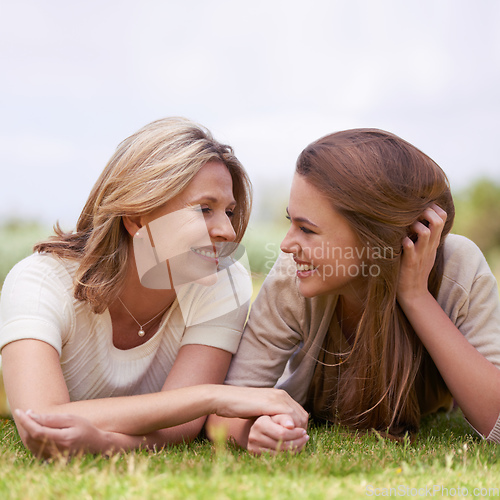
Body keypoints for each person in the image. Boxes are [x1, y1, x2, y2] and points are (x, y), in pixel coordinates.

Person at [0, 117, 308, 458]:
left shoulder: (223, 280)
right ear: (137, 218)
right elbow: (40, 420)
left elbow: (183, 426)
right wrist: (214, 396)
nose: (228, 232)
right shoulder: (40, 281)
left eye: (229, 212)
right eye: (204, 209)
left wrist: (105, 444)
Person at [207, 128, 500, 454]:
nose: (287, 244)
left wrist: (416, 296)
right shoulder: (292, 276)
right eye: (291, 222)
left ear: (373, 237)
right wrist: (251, 431)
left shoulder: (458, 268)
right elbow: (225, 408)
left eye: (307, 229)